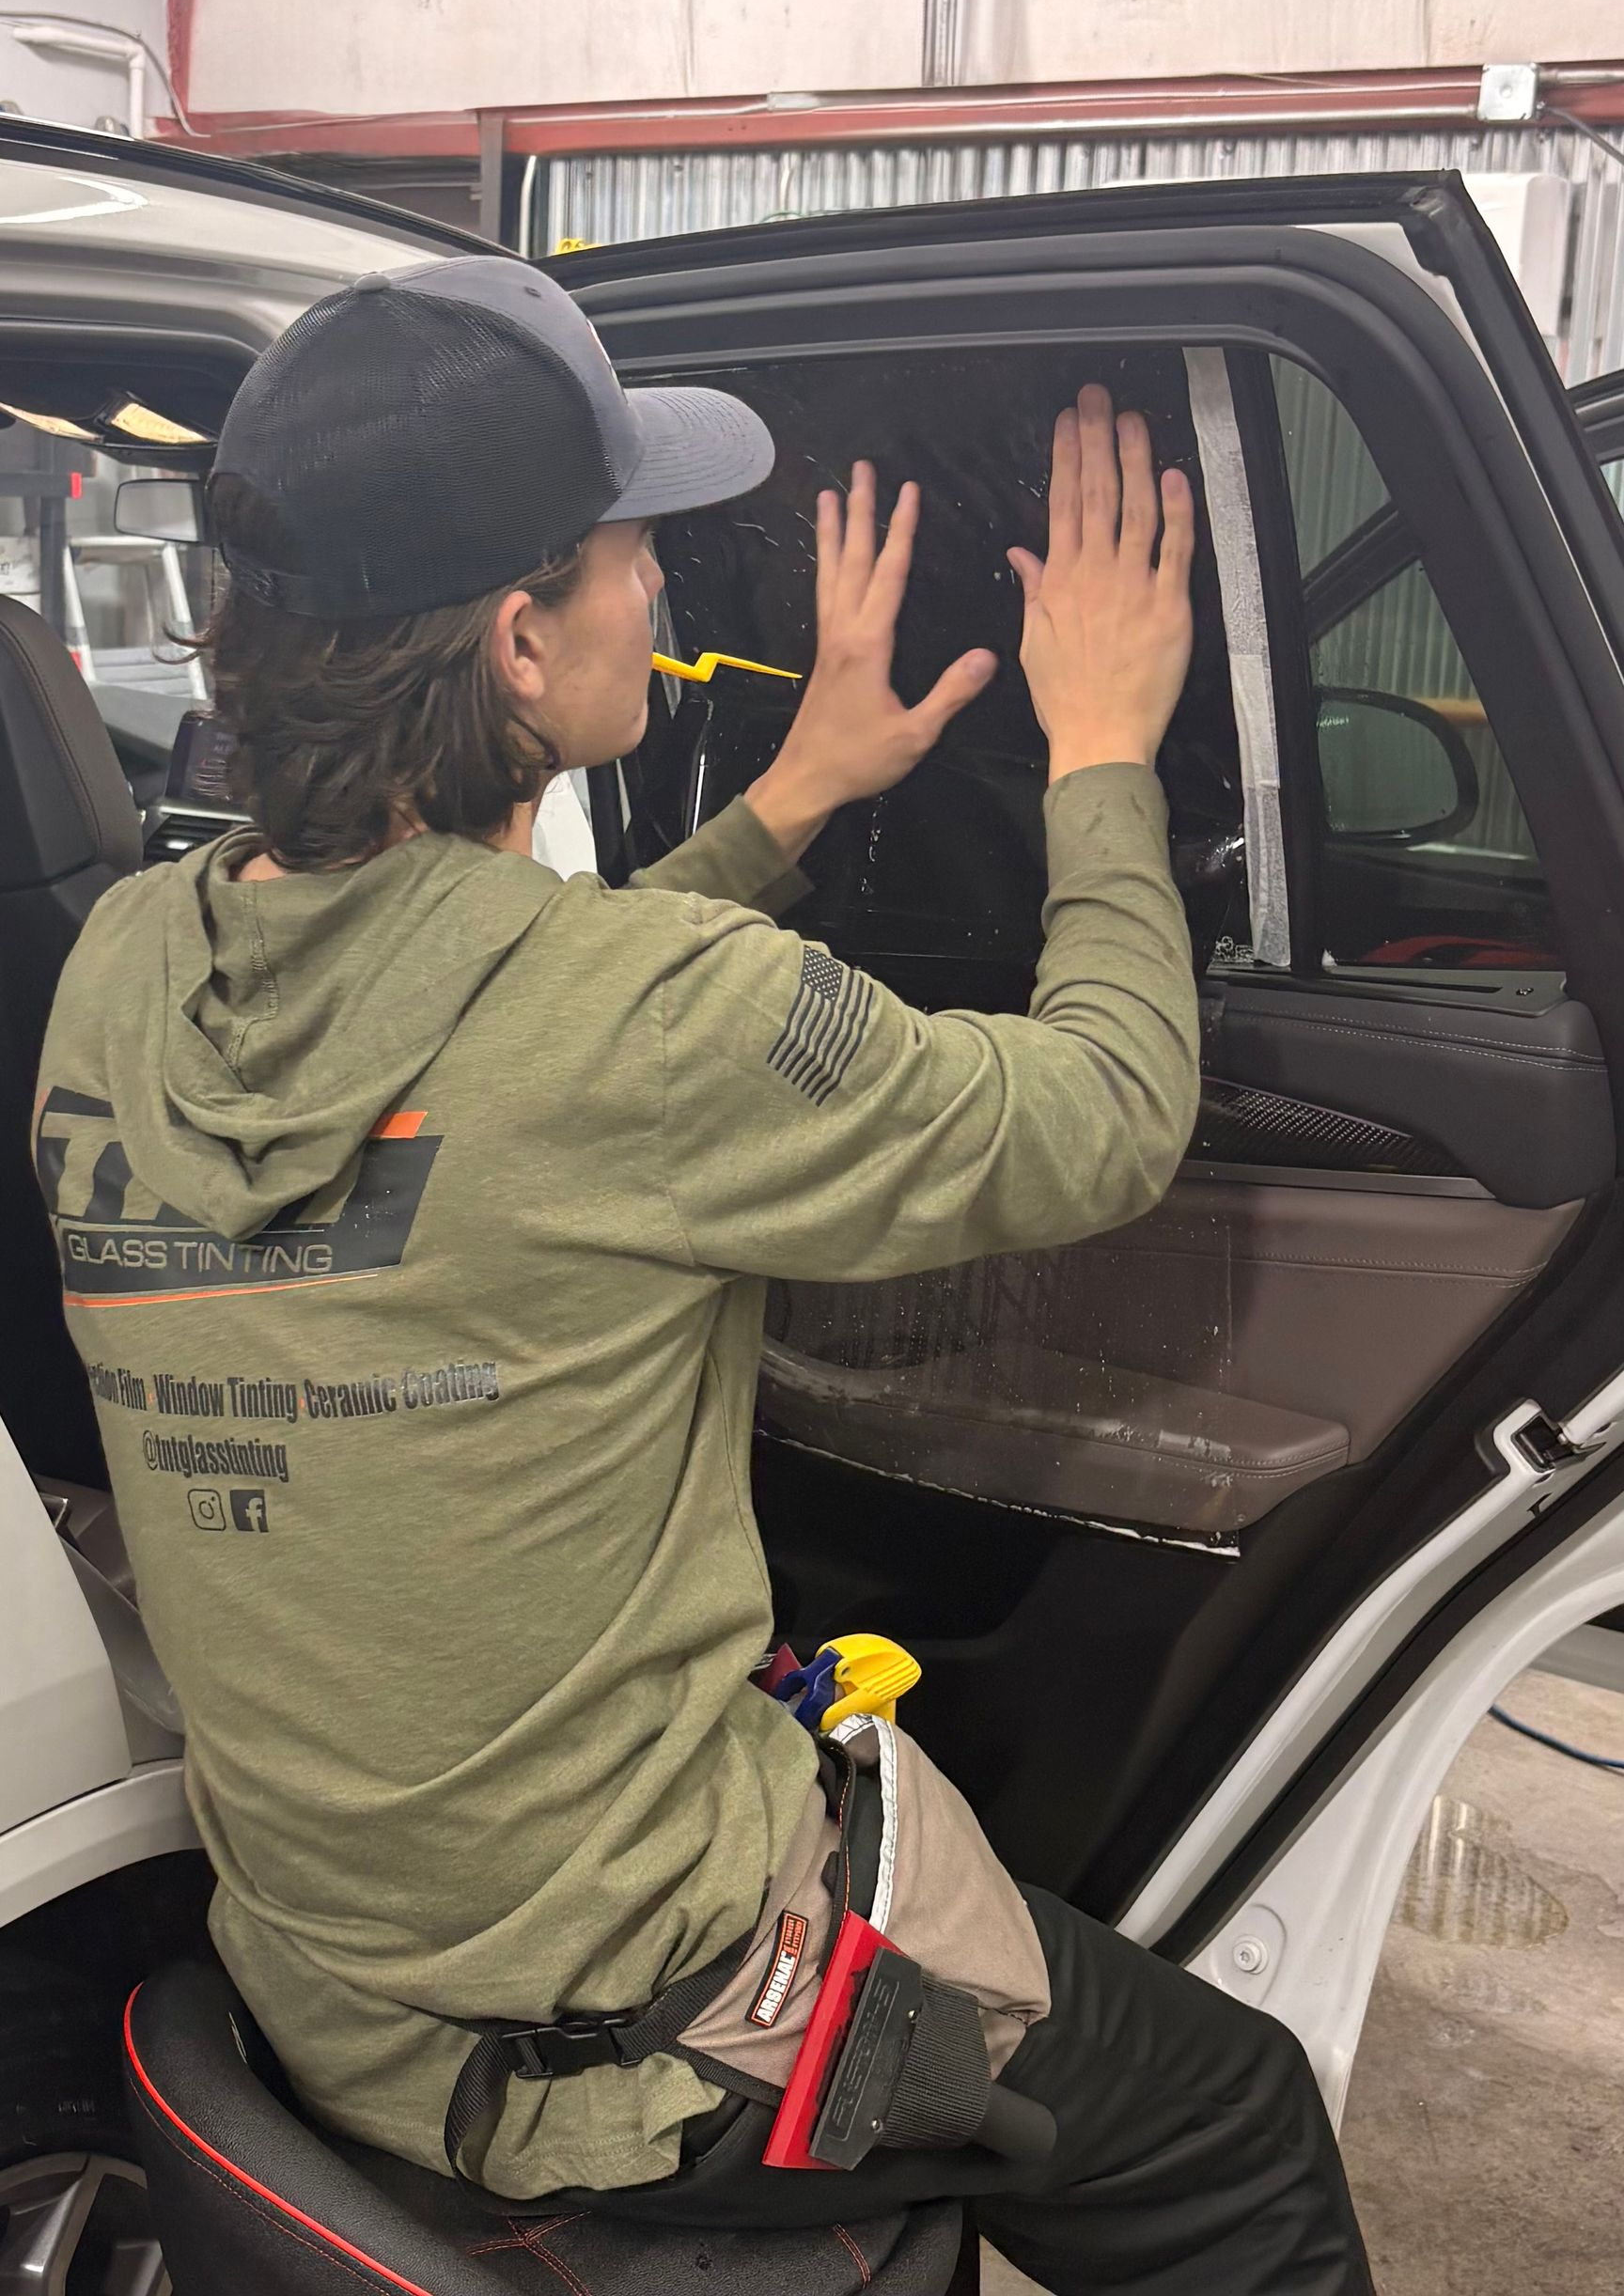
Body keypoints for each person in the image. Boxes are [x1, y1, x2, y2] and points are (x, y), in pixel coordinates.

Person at [37, 255, 1372, 2293]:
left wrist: (790, 795)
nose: (658, 589)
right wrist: (1104, 743)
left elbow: (494, 1050)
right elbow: (1103, 1108)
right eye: (628, 551)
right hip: (641, 2050)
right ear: (515, 637)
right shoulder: (653, 1023)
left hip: (318, 1988)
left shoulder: (123, 963)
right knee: (1237, 2126)